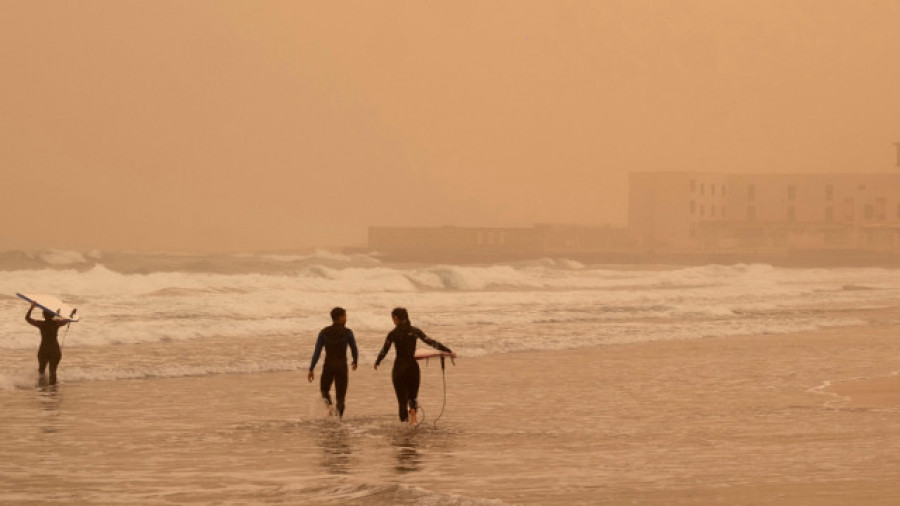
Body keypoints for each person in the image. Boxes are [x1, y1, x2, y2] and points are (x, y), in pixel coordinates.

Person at [374, 307, 455, 425]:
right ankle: (412, 411)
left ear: (396, 318)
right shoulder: (415, 331)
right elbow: (431, 342)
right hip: (413, 367)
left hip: (399, 368)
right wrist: (447, 350)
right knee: (412, 397)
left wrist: (378, 361)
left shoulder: (393, 334)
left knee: (402, 401)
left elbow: (384, 350)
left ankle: (404, 427)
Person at [308, 307, 358, 418]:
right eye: (345, 316)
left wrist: (311, 368)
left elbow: (317, 352)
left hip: (329, 366)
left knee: (324, 390)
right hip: (342, 367)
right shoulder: (348, 332)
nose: (346, 318)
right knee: (341, 398)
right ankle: (339, 421)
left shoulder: (324, 332)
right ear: (340, 318)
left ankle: (329, 406)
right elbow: (354, 348)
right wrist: (355, 360)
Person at [25, 302, 70, 385]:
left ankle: (42, 391)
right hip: (54, 350)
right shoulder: (57, 323)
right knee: (53, 372)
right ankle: (53, 392)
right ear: (53, 315)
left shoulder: (41, 324)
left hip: (44, 349)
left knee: (41, 371)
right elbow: (67, 320)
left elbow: (27, 318)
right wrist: (67, 315)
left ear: (43, 315)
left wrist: (31, 308)